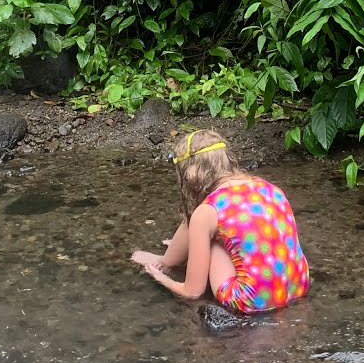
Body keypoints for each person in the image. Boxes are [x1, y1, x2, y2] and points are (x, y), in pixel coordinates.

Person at [131, 130, 310, 313]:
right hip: (298, 284)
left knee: (212, 237)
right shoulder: (270, 188)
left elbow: (192, 292)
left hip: (252, 301)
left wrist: (160, 277)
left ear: (190, 175)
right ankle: (170, 258)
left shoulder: (207, 211)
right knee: (218, 229)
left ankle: (166, 262)